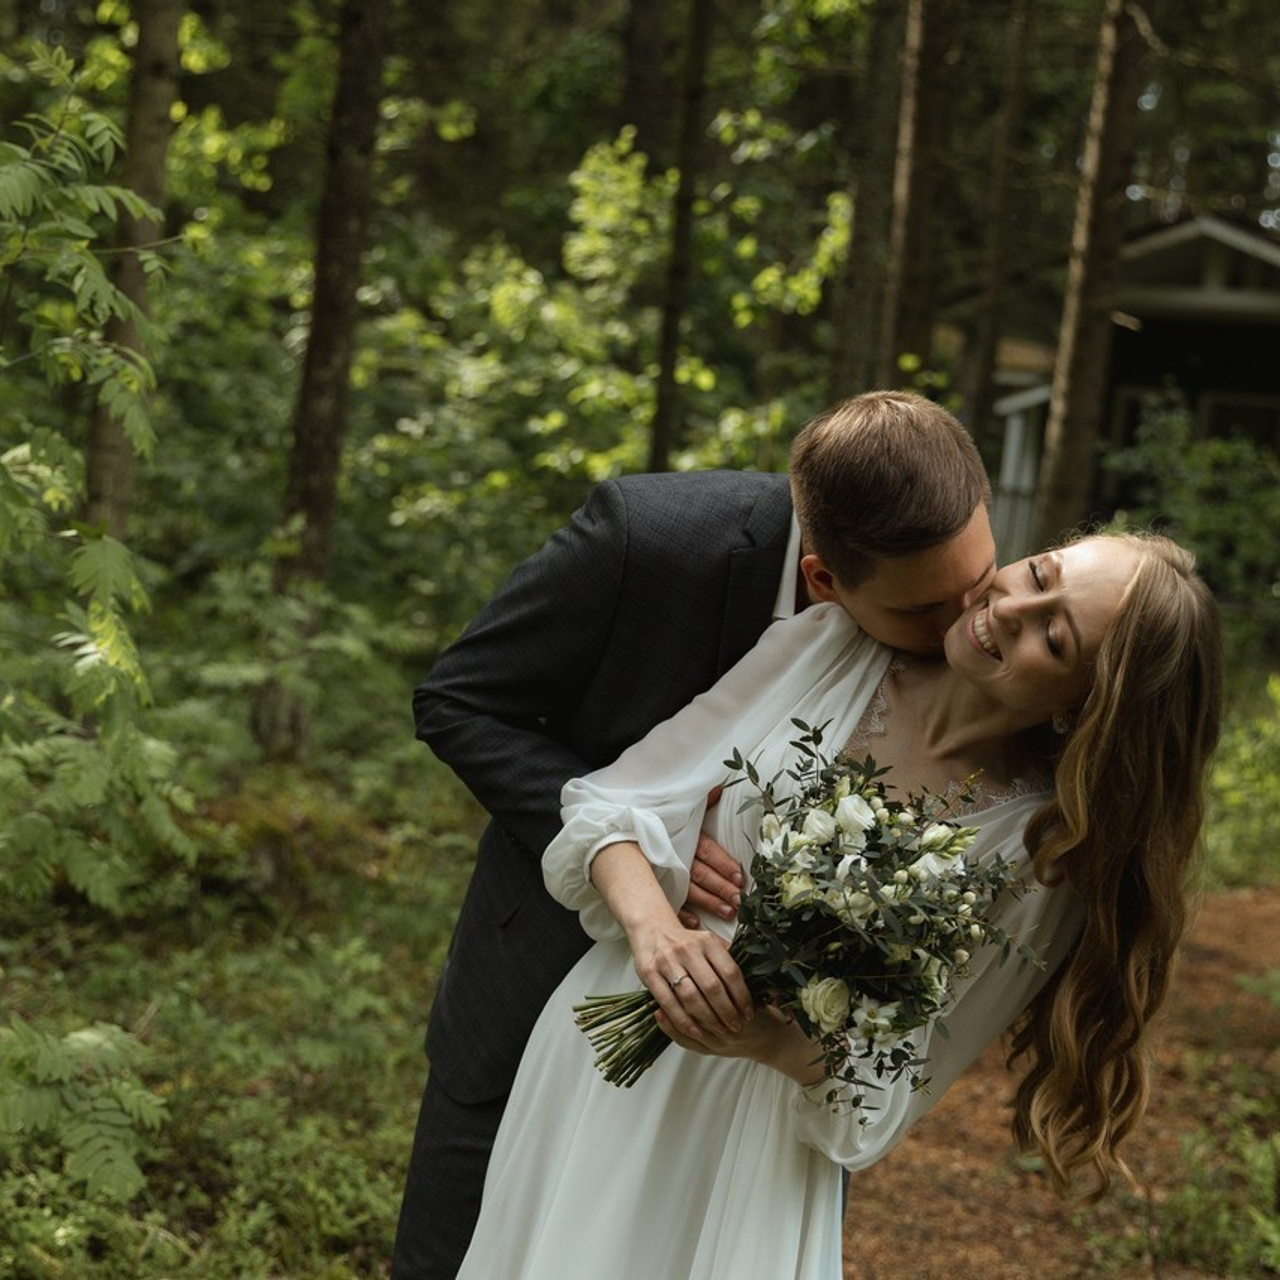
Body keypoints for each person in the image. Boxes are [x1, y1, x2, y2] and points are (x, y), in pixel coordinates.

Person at [454, 530, 1222, 1279]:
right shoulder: (829, 645)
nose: (1011, 605)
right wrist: (656, 930)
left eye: (1052, 638)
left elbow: (885, 1096)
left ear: (1080, 708)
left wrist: (768, 1041)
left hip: (747, 1136)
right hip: (609, 1045)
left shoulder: (1038, 857)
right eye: (1039, 572)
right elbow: (607, 809)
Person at [392, 391, 997, 1277]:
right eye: (921, 614)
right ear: (826, 581)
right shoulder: (647, 537)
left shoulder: (970, 620)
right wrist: (648, 848)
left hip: (747, 1088)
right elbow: (459, 701)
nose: (962, 634)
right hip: (536, 982)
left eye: (976, 584)